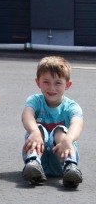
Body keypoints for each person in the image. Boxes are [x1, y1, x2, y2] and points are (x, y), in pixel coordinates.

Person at [21, 56, 84, 188]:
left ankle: (70, 166)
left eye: (58, 83)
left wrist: (68, 139)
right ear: (38, 82)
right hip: (38, 157)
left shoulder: (71, 106)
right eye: (46, 82)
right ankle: (33, 163)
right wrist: (34, 131)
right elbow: (27, 115)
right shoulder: (35, 100)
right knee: (38, 129)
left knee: (60, 131)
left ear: (68, 85)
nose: (51, 88)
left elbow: (77, 123)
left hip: (61, 156)